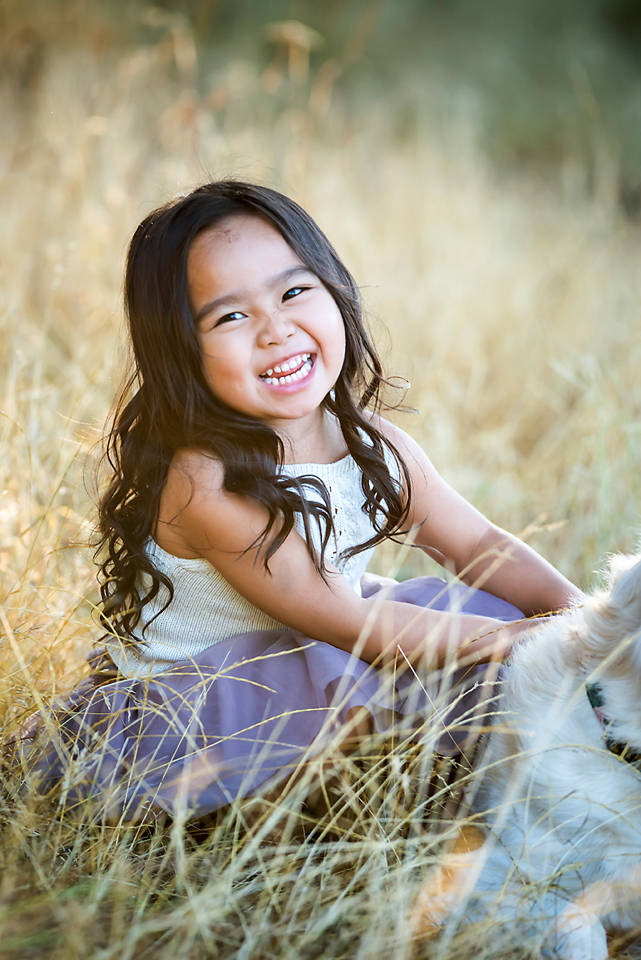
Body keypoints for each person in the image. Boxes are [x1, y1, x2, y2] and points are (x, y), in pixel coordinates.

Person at [30, 181, 582, 821]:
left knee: (480, 606)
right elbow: (350, 625)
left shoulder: (372, 443)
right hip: (197, 716)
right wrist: (523, 638)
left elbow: (480, 546)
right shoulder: (206, 483)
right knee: (435, 650)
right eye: (229, 316)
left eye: (294, 292)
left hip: (305, 668)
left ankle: (392, 782)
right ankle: (284, 814)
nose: (275, 330)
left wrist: (583, 620)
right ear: (180, 349)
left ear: (337, 294)